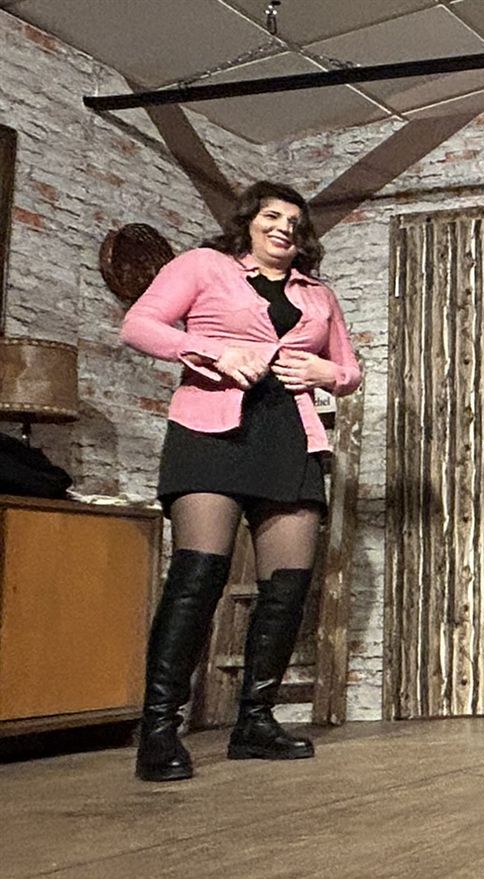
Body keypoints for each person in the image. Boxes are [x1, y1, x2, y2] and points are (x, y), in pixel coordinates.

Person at [121, 181, 363, 781]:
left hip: (290, 436)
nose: (283, 227)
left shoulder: (318, 293)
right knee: (198, 575)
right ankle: (159, 728)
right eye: (272, 216)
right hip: (210, 433)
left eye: (294, 221)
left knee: (288, 587)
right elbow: (139, 325)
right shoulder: (204, 266)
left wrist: (325, 371)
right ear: (249, 222)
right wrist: (214, 353)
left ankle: (254, 722)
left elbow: (349, 371)